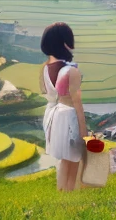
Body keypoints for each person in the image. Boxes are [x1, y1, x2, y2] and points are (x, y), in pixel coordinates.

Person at [39, 21, 87, 191]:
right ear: (64, 42)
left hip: (53, 117)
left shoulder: (45, 69)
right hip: (68, 117)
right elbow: (77, 102)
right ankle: (69, 195)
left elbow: (49, 95)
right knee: (73, 159)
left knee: (63, 160)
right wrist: (84, 131)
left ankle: (62, 194)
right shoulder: (70, 71)